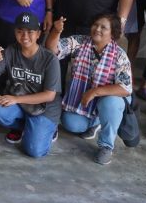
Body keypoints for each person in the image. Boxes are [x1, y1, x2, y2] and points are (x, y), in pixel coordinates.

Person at [47, 13, 133, 166]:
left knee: (110, 103)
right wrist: (56, 31)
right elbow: (52, 50)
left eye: (103, 27)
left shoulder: (119, 55)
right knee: (70, 123)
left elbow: (125, 88)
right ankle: (96, 122)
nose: (97, 29)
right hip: (87, 101)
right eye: (95, 25)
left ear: (112, 33)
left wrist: (94, 92)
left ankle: (107, 146)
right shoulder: (80, 42)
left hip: (109, 98)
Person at [0, 11, 61, 158]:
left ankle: (50, 128)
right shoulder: (11, 51)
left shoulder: (49, 59)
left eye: (30, 32)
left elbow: (49, 95)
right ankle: (25, 127)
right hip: (21, 106)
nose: (25, 37)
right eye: (20, 31)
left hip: (44, 110)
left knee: (34, 151)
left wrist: (16, 99)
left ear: (38, 34)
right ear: (15, 32)